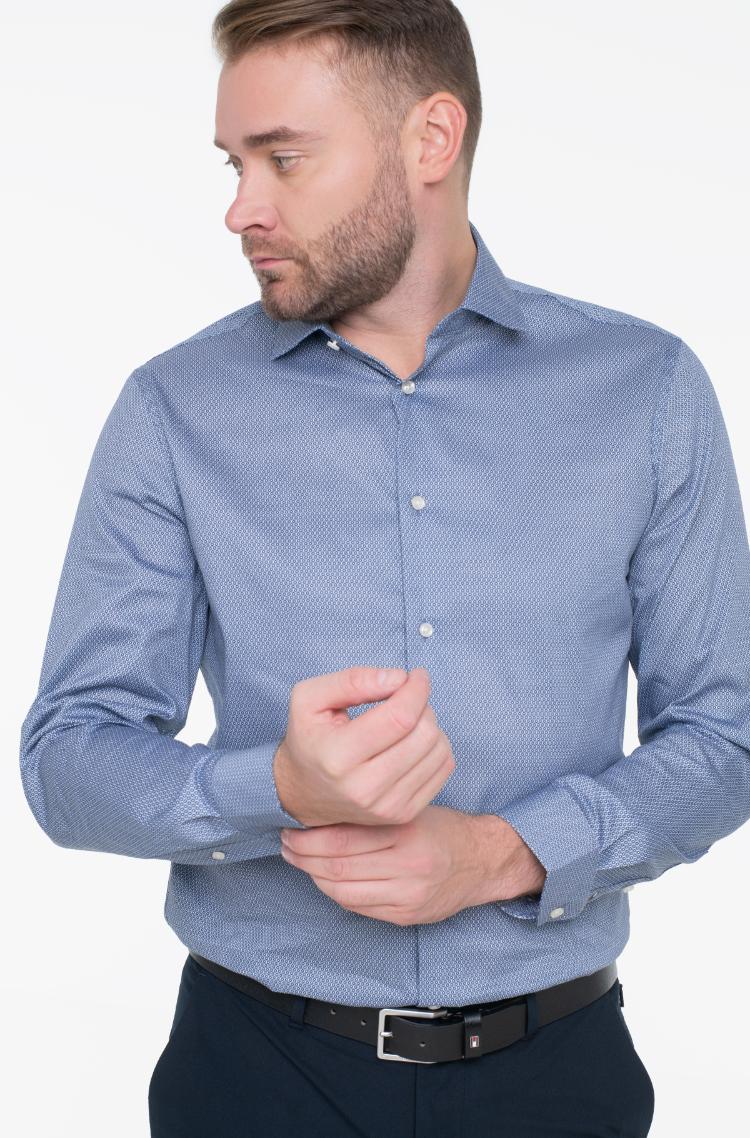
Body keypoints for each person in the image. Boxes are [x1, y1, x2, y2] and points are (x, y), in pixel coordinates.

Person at [18, 1, 750, 1135]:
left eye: (284, 159)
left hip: (558, 1075)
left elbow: (727, 732)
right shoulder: (173, 408)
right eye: (233, 163)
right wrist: (278, 789)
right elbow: (69, 754)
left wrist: (507, 854)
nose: (240, 208)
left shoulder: (646, 392)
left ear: (431, 139)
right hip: (254, 1075)